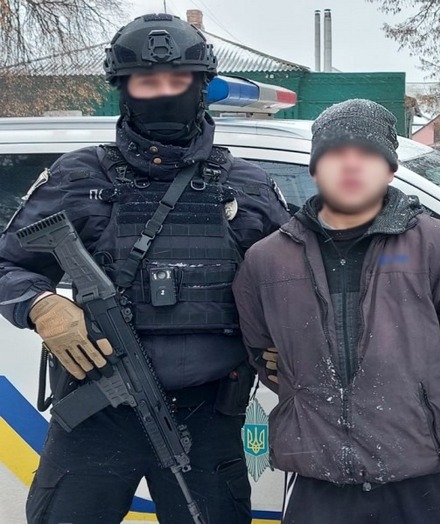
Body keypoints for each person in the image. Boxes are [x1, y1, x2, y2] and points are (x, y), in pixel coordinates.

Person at [0, 13, 289, 524]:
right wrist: (42, 306)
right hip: (97, 413)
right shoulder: (78, 176)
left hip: (207, 415)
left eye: (177, 80)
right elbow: (8, 263)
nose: (163, 93)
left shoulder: (247, 186)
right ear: (123, 89)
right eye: (147, 82)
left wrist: (286, 341)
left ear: (201, 86)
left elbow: (292, 284)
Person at [233, 99, 440, 524]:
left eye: (367, 154)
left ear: (390, 169)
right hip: (317, 481)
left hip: (420, 480)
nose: (351, 165)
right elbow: (266, 356)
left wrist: (429, 421)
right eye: (336, 153)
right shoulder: (267, 260)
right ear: (315, 169)